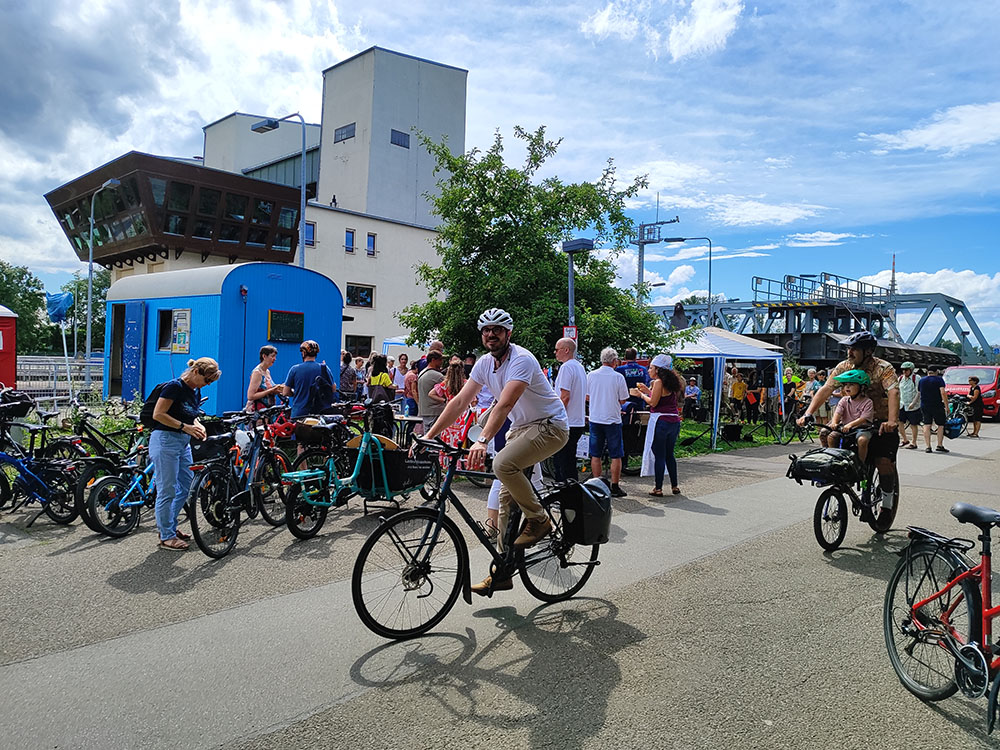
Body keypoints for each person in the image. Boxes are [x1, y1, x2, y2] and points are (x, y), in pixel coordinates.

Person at [424, 308, 568, 596]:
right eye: (486, 330)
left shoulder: (522, 359)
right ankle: (502, 572)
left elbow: (505, 404)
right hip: (523, 428)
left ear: (508, 334)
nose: (491, 334)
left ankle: (540, 519)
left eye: (497, 330)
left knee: (502, 464)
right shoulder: (484, 364)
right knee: (505, 501)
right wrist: (428, 436)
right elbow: (459, 402)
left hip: (550, 426)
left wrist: (482, 440)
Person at [799, 330, 900, 525]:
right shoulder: (844, 367)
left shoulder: (883, 368)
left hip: (881, 423)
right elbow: (827, 389)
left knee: (883, 462)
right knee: (827, 434)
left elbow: (893, 392)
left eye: (854, 349)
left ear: (868, 351)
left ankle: (887, 505)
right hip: (851, 424)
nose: (849, 352)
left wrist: (892, 420)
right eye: (848, 349)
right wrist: (808, 413)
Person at [150, 357, 219, 550]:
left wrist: (198, 425)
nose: (208, 384)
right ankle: (166, 536)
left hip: (182, 442)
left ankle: (168, 526)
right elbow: (158, 414)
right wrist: (185, 427)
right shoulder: (175, 387)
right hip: (165, 440)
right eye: (207, 380)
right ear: (196, 372)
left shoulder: (195, 390)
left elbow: (191, 415)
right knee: (167, 489)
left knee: (187, 486)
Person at [636, 354, 683, 496]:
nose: (648, 370)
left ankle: (658, 488)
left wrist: (641, 395)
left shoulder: (658, 382)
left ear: (657, 370)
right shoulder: (671, 382)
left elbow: (653, 402)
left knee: (660, 454)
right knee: (670, 454)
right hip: (674, 420)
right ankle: (674, 485)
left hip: (661, 421)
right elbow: (660, 396)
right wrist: (647, 391)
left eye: (651, 368)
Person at [588, 347, 630, 498]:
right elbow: (623, 400)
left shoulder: (591, 375)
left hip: (595, 418)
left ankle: (596, 486)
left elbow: (587, 396)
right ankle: (615, 486)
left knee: (595, 454)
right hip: (612, 419)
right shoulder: (618, 377)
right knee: (616, 454)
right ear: (614, 361)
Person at [552, 337, 587, 482]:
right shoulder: (580, 367)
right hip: (577, 420)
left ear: (566, 350)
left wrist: (555, 416)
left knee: (561, 462)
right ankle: (572, 489)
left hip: (566, 421)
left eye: (557, 349)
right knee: (569, 460)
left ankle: (564, 490)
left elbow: (565, 396)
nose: (555, 353)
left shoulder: (566, 368)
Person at [822, 370, 874, 464]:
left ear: (862, 387)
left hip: (861, 428)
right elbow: (837, 413)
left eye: (851, 384)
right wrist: (834, 422)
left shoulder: (867, 402)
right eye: (845, 385)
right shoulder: (844, 400)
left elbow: (863, 418)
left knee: (862, 440)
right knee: (830, 436)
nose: (847, 387)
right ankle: (832, 460)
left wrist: (850, 425)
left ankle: (860, 464)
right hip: (844, 427)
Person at [282, 340, 335, 420]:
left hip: (299, 413)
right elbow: (333, 388)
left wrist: (296, 392)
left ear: (303, 353)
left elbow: (285, 392)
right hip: (319, 414)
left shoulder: (295, 369)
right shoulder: (324, 368)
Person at [919, 365, 949, 453]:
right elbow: (943, 392)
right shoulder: (939, 380)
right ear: (936, 371)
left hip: (925, 405)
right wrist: (947, 406)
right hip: (937, 405)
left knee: (927, 424)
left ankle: (928, 446)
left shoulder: (922, 380)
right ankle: (939, 445)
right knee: (940, 425)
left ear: (927, 371)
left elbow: (919, 392)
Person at [245, 345, 282, 412]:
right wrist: (270, 390)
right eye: (272, 356)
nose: (275, 359)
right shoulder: (257, 373)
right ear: (264, 356)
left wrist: (278, 389)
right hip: (258, 412)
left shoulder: (267, 371)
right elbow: (250, 396)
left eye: (275, 356)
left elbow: (269, 388)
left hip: (268, 411)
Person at [416, 350, 446, 433]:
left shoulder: (422, 372)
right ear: (433, 360)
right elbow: (447, 391)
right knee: (435, 436)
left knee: (428, 436)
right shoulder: (437, 376)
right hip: (436, 411)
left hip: (425, 411)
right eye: (440, 360)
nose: (441, 362)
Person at [615, 347, 650, 413]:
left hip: (625, 403)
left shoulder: (619, 370)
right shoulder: (643, 369)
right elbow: (647, 384)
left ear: (625, 357)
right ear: (635, 357)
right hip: (639, 401)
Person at [897, 361, 921, 449]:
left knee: (913, 424)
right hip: (902, 404)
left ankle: (914, 442)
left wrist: (913, 403)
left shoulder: (916, 378)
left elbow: (919, 392)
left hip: (912, 406)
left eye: (906, 370)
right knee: (900, 422)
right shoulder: (900, 379)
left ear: (911, 370)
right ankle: (905, 439)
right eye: (903, 370)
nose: (904, 372)